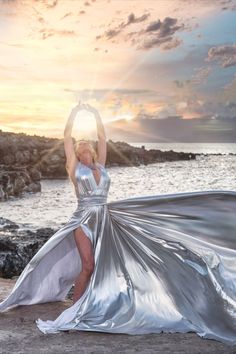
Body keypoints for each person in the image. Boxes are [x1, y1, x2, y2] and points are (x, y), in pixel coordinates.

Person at [0, 102, 236, 346]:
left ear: (90, 150)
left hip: (105, 219)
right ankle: (74, 311)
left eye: (84, 147)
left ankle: (91, 305)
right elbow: (66, 138)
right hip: (83, 219)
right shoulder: (74, 168)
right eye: (78, 148)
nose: (81, 150)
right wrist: (74, 114)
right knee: (88, 265)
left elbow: (103, 137)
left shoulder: (100, 164)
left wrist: (94, 114)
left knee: (105, 268)